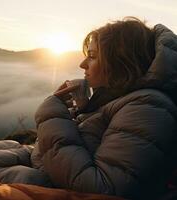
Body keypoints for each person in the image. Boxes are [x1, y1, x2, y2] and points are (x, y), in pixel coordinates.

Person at [32, 17, 177, 199]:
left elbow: (102, 189)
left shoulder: (148, 108)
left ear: (121, 60)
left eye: (92, 56)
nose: (82, 64)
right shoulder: (125, 101)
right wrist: (84, 111)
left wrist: (52, 115)